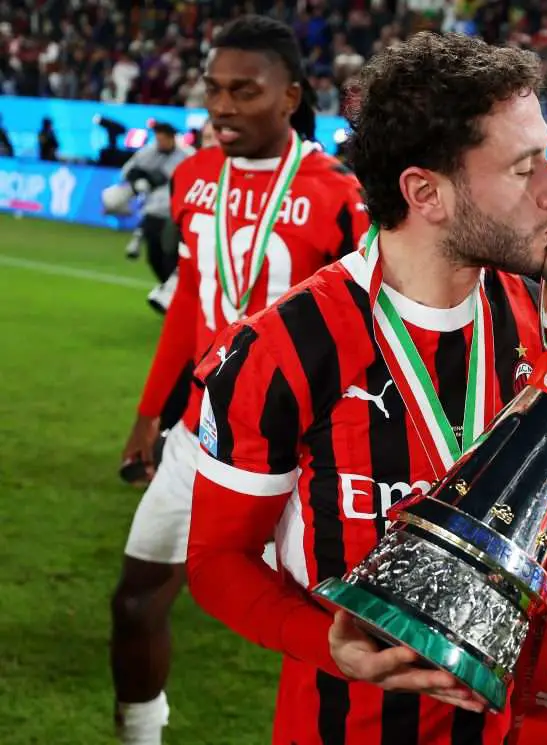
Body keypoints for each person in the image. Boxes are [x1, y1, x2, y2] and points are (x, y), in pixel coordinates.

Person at [186, 31, 547, 745]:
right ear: (425, 192)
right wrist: (325, 643)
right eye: (525, 168)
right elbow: (216, 562)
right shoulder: (283, 350)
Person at [110, 16, 370, 745]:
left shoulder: (338, 192)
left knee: (331, 633)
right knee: (135, 602)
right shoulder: (194, 176)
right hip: (201, 434)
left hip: (302, 450)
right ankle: (139, 735)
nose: (222, 107)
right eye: (214, 89)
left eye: (244, 91)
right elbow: (191, 301)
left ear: (291, 96)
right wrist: (150, 414)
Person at [117, 122, 195, 313]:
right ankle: (169, 292)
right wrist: (137, 179)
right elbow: (128, 170)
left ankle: (175, 297)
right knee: (154, 256)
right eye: (158, 139)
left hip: (176, 214)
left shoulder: (186, 155)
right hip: (153, 211)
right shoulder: (148, 152)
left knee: (172, 256)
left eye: (163, 139)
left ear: (172, 138)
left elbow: (183, 178)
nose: (160, 143)